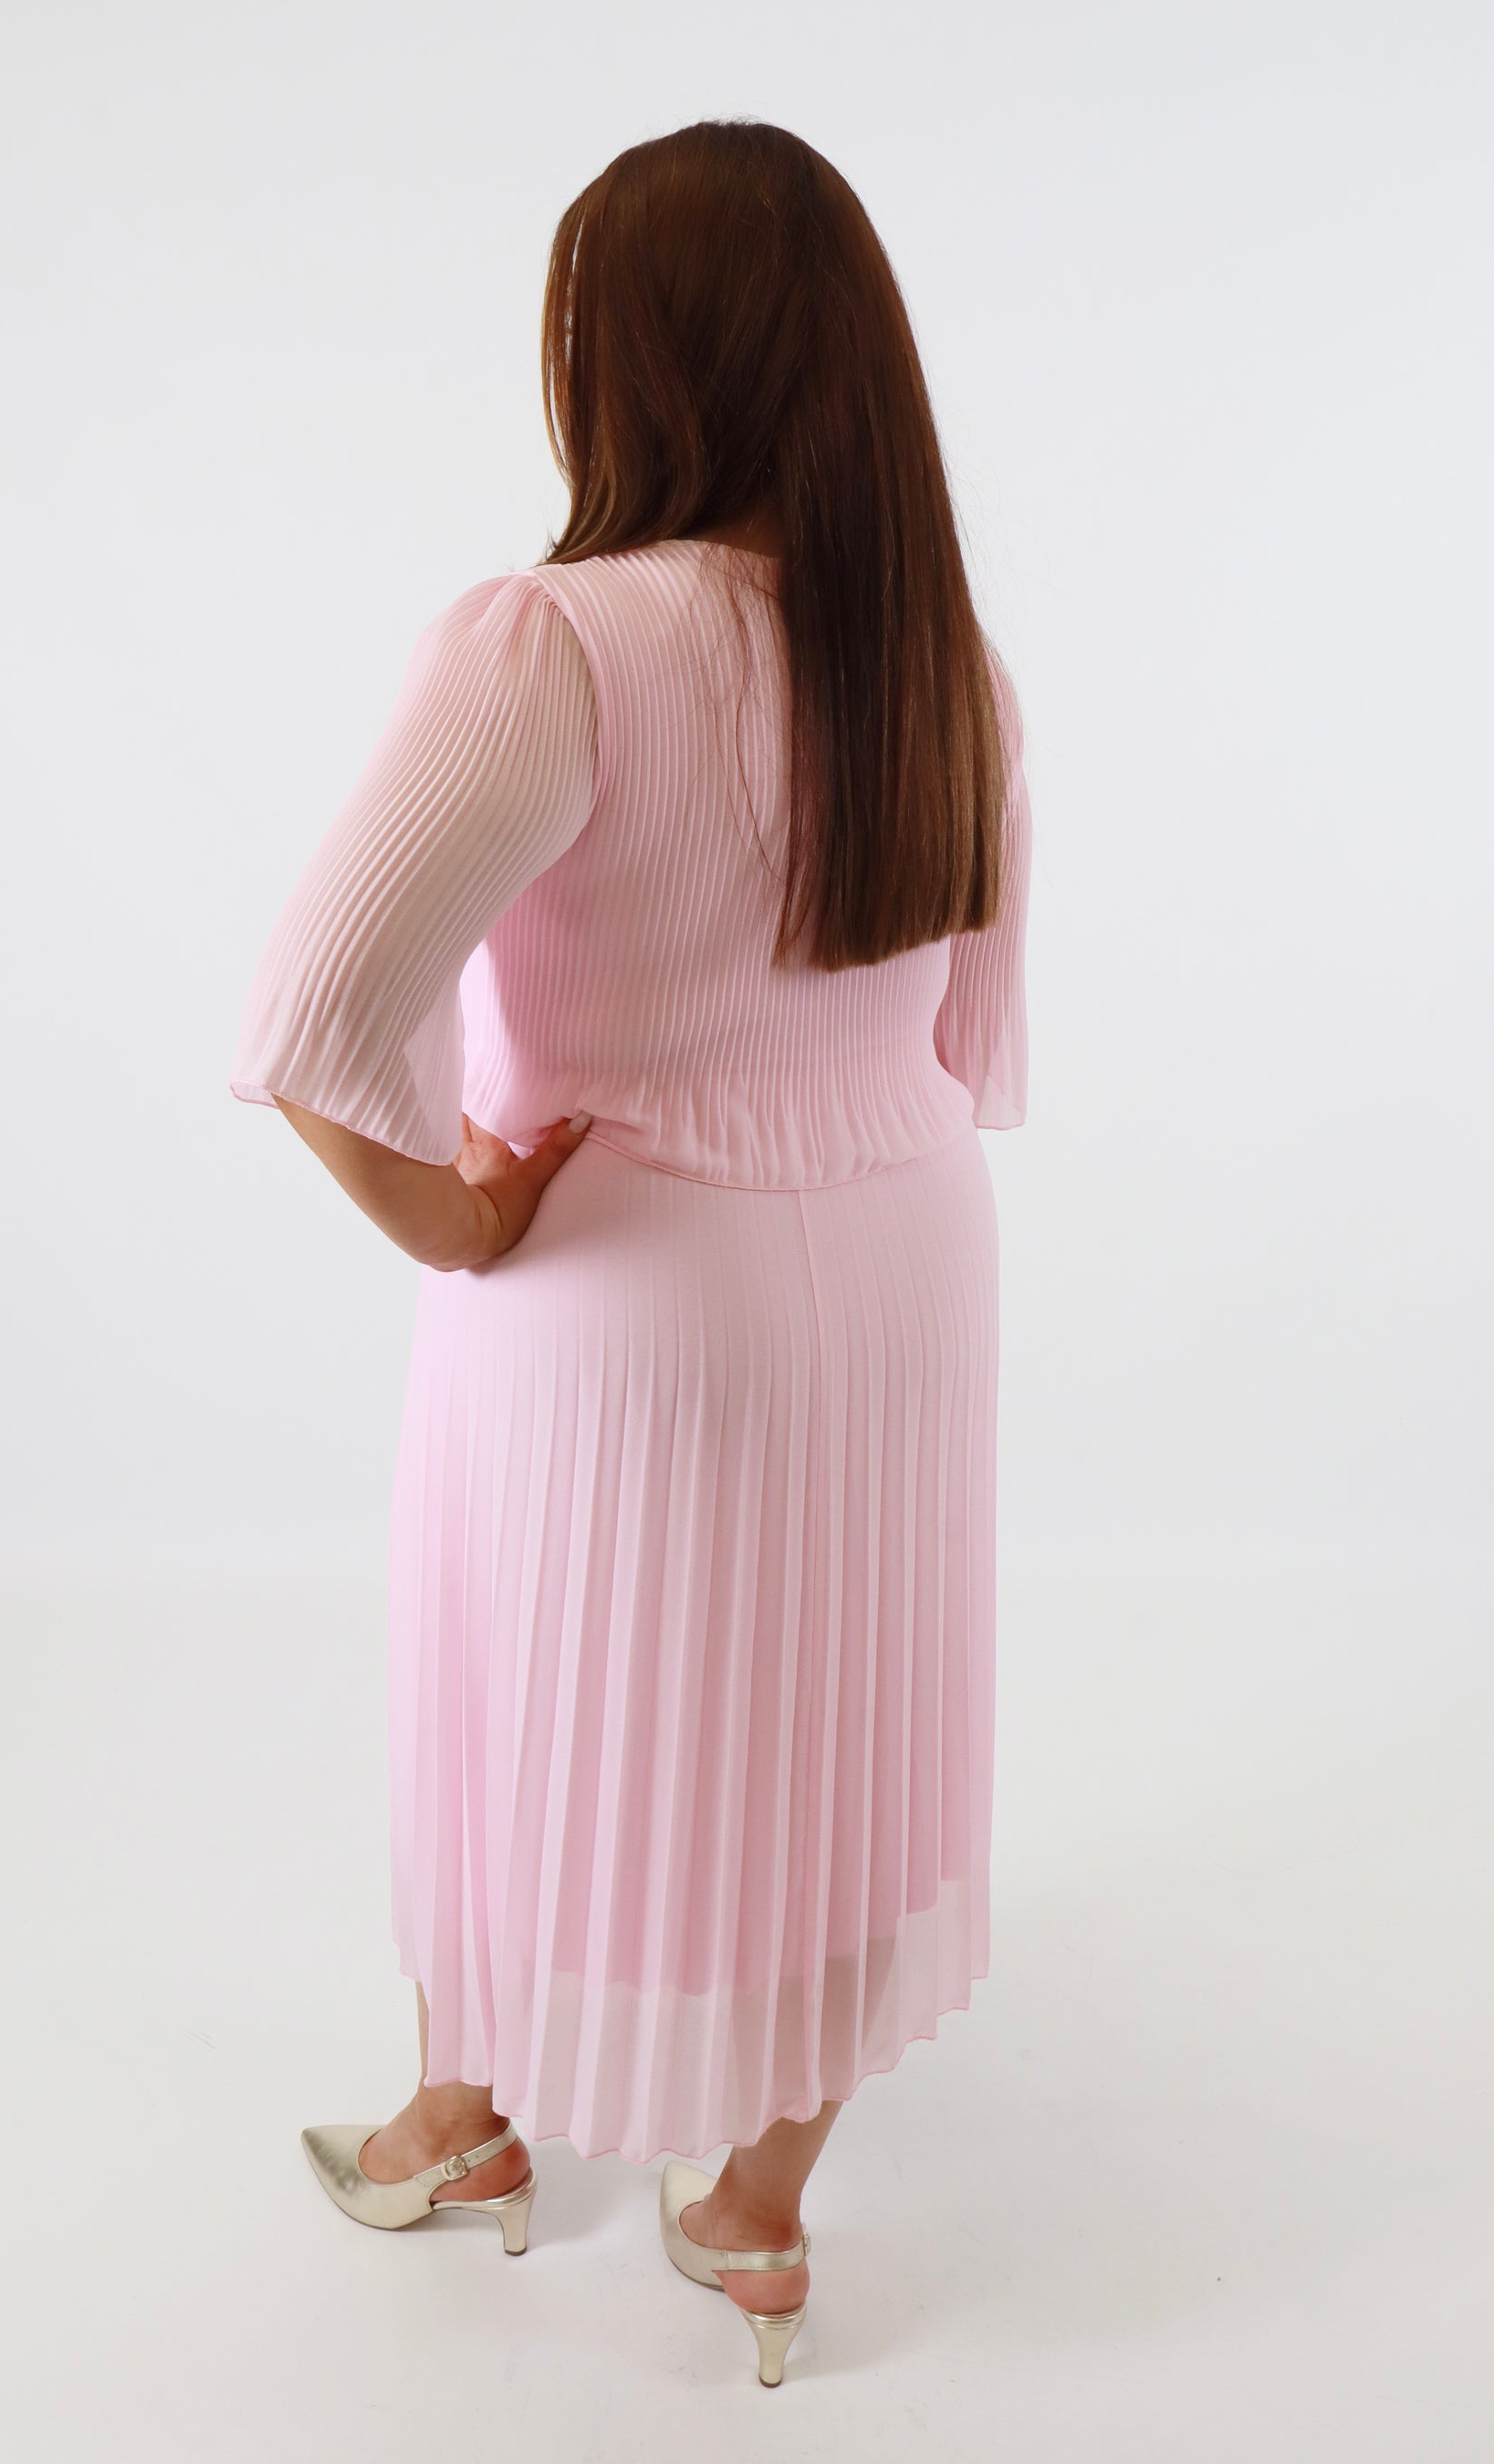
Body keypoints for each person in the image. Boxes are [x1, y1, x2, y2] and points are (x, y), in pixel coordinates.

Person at [229, 116, 1031, 2390]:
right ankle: (758, 2212)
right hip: (909, 1263)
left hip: (630, 1289)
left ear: (632, 363)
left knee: (513, 1681)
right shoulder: (944, 663)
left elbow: (314, 1006)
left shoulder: (558, 642)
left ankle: (463, 2123)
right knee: (850, 1704)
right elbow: (971, 1033)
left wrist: (457, 1212)